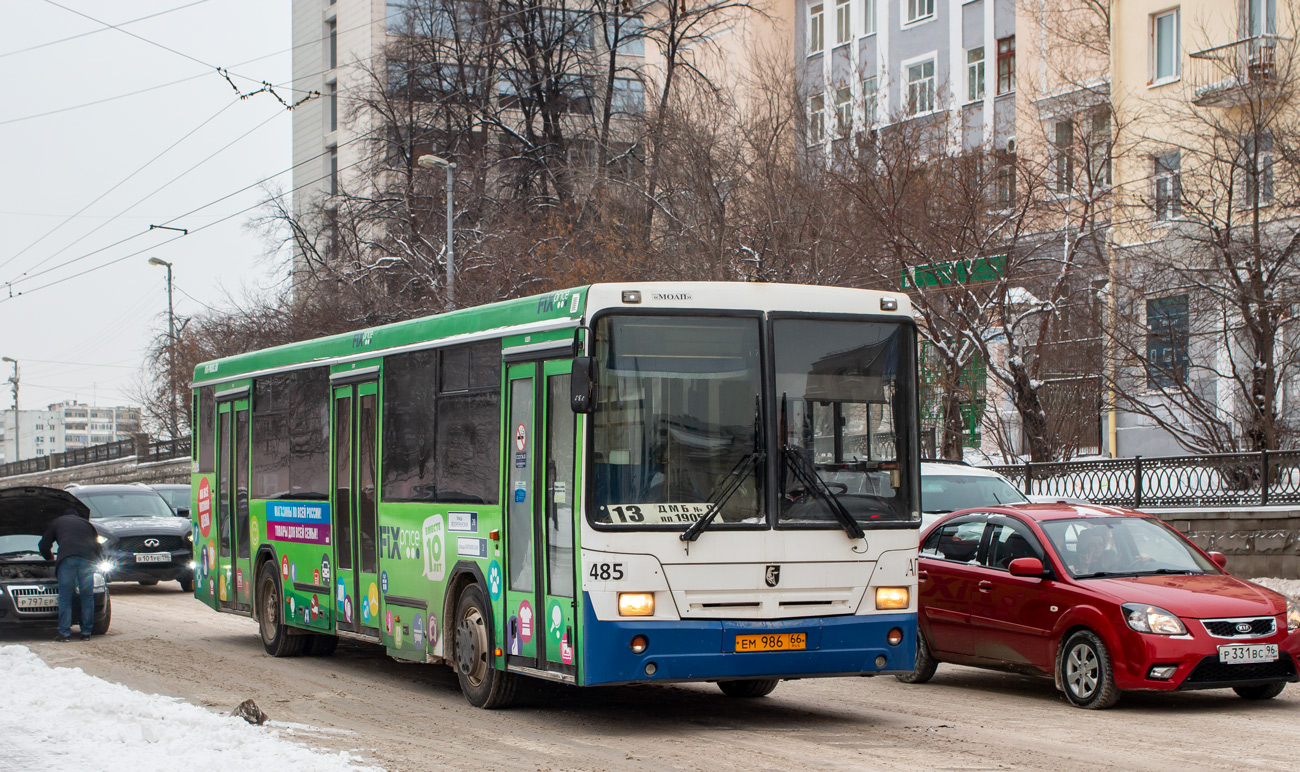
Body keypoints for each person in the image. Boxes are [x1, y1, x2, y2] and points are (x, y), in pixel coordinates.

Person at [38, 507, 101, 642]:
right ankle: (86, 633)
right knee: (87, 596)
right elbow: (98, 546)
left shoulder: (57, 522)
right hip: (87, 560)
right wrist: (97, 561)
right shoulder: (87, 524)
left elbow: (43, 545)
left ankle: (65, 633)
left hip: (67, 560)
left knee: (65, 596)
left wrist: (49, 557)